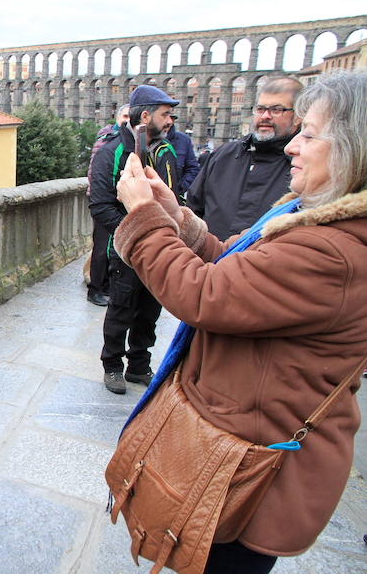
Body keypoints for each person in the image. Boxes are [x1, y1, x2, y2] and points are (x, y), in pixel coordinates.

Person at [112, 70, 367, 573]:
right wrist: (176, 217)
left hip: (250, 471)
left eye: (310, 133)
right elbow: (237, 268)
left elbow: (204, 295)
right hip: (240, 447)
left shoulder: (333, 250)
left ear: (355, 149)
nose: (294, 144)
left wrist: (143, 219)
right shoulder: (316, 219)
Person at [89, 85, 181, 394]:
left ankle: (139, 365)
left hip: (158, 246)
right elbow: (100, 206)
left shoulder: (162, 151)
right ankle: (112, 365)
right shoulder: (112, 153)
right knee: (122, 308)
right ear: (145, 115)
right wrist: (134, 233)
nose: (170, 120)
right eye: (165, 114)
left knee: (150, 310)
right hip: (128, 250)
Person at [186, 76, 303, 240]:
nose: (265, 116)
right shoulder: (224, 155)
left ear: (297, 117)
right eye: (260, 109)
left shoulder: (303, 166)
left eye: (276, 110)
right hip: (209, 261)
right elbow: (193, 207)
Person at [86, 103, 129, 306]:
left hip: (117, 202)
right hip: (103, 201)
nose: (128, 121)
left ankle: (107, 286)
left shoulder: (128, 142)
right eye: (125, 116)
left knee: (114, 247)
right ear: (118, 118)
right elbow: (95, 171)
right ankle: (96, 289)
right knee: (102, 247)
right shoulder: (106, 140)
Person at [165, 114, 199, 192]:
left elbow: (193, 168)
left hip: (175, 197)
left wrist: (180, 188)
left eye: (171, 118)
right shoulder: (146, 139)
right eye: (163, 116)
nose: (168, 121)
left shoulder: (184, 140)